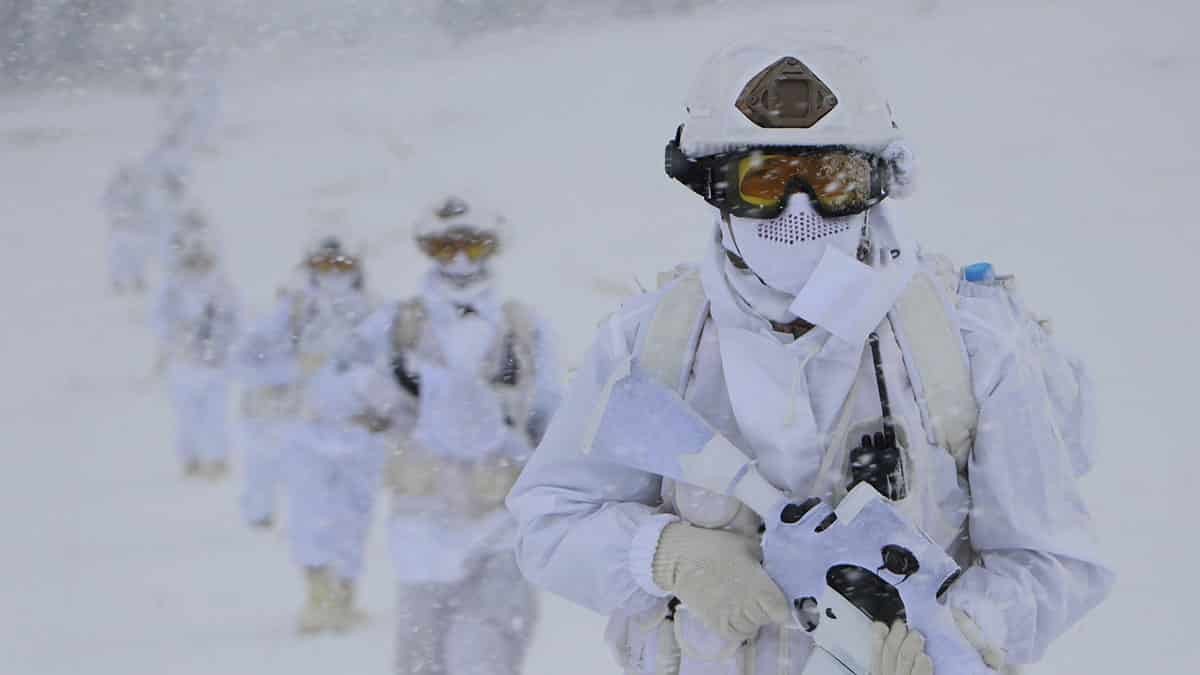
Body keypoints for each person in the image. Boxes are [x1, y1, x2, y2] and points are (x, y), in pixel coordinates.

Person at [508, 43, 1113, 675]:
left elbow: (1053, 559)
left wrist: (956, 635)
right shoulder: (651, 341)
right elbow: (550, 523)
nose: (798, 212)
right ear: (712, 186)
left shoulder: (966, 340)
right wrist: (665, 554)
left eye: (831, 180)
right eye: (763, 182)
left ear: (875, 184)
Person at [324, 196, 562, 675]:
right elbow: (332, 392)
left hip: (499, 526)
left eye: (472, 247)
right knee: (421, 663)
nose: (459, 260)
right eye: (445, 247)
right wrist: (381, 390)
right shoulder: (395, 324)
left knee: (489, 655)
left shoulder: (523, 325)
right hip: (422, 531)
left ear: (491, 248)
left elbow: (553, 420)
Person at [237, 237, 382, 633]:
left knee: (354, 518)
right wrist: (292, 371)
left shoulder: (377, 312)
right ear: (310, 267)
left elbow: (397, 369)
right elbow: (247, 357)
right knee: (308, 517)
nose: (333, 273)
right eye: (324, 265)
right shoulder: (293, 310)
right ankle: (317, 596)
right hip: (306, 431)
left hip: (361, 434)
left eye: (342, 265)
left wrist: (367, 386)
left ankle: (345, 594)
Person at [152, 209, 239, 478]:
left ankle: (217, 460)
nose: (196, 262)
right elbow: (160, 322)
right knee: (187, 416)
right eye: (191, 258)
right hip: (183, 364)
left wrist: (221, 343)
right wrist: (178, 340)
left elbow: (234, 320)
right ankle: (190, 460)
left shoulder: (221, 286)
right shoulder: (172, 288)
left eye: (201, 257)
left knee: (215, 415)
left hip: (215, 364)